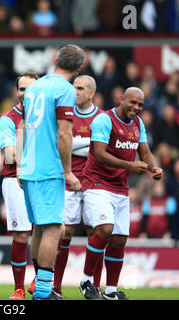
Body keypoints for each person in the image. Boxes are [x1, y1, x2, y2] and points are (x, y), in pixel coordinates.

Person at [79, 87, 163, 300]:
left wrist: (154, 168)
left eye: (140, 105)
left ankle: (110, 291)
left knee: (118, 240)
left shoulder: (138, 124)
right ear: (121, 99)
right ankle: (86, 280)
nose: (136, 108)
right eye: (133, 102)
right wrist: (129, 166)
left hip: (120, 188)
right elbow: (99, 154)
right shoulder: (104, 120)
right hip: (97, 183)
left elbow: (144, 152)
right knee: (105, 229)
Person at [18, 44, 84, 300]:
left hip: (30, 164)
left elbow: (23, 126)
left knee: (38, 228)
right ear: (79, 68)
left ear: (56, 60)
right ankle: (44, 290)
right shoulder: (65, 90)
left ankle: (40, 286)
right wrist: (68, 171)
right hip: (48, 168)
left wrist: (23, 164)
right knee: (54, 227)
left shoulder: (34, 87)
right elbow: (64, 134)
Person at [53, 75, 104, 297]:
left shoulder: (102, 118)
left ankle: (94, 285)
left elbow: (104, 151)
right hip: (69, 181)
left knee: (97, 232)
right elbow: (59, 144)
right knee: (65, 233)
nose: (76, 92)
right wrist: (91, 145)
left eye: (81, 88)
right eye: (74, 87)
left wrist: (73, 145)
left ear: (91, 93)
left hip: (94, 182)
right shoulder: (66, 115)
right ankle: (56, 286)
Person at [0, 71, 38, 299]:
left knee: (50, 231)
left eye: (30, 88)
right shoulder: (8, 119)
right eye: (22, 89)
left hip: (43, 180)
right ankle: (19, 288)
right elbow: (10, 154)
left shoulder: (48, 117)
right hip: (15, 180)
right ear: (16, 91)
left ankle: (42, 280)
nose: (26, 93)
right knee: (22, 235)